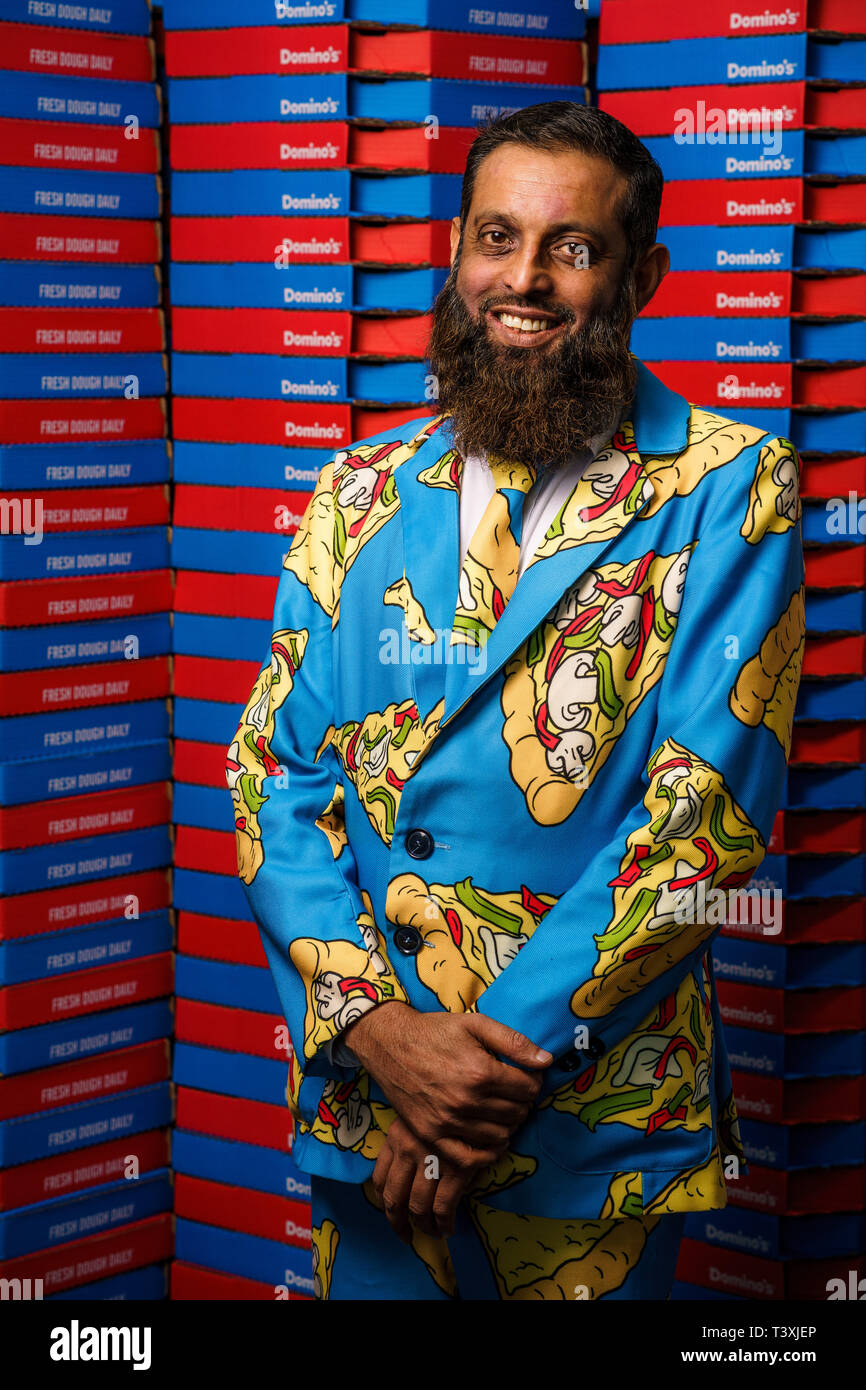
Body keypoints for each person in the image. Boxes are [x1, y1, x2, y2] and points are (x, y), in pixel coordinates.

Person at [226, 102, 805, 1301]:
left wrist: (471, 1088)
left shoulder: (727, 486)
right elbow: (274, 780)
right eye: (496, 237)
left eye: (571, 248)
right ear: (454, 251)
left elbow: (700, 828)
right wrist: (381, 1037)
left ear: (641, 272)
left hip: (588, 1134)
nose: (522, 279)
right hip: (371, 1115)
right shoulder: (356, 490)